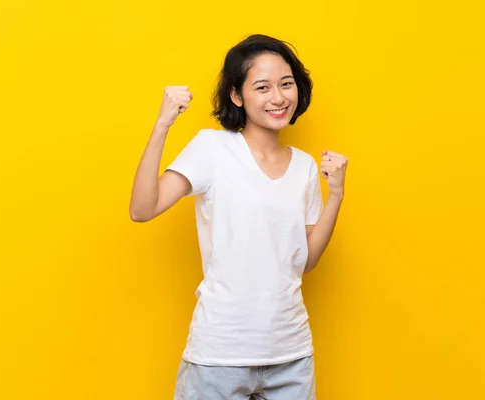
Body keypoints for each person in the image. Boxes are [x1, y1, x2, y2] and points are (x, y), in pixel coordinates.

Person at [129, 34, 348, 400]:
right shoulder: (212, 148)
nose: (278, 98)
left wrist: (336, 195)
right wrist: (162, 124)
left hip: (290, 355)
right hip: (219, 355)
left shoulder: (306, 167)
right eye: (262, 87)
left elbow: (305, 261)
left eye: (286, 84)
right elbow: (142, 209)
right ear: (237, 95)